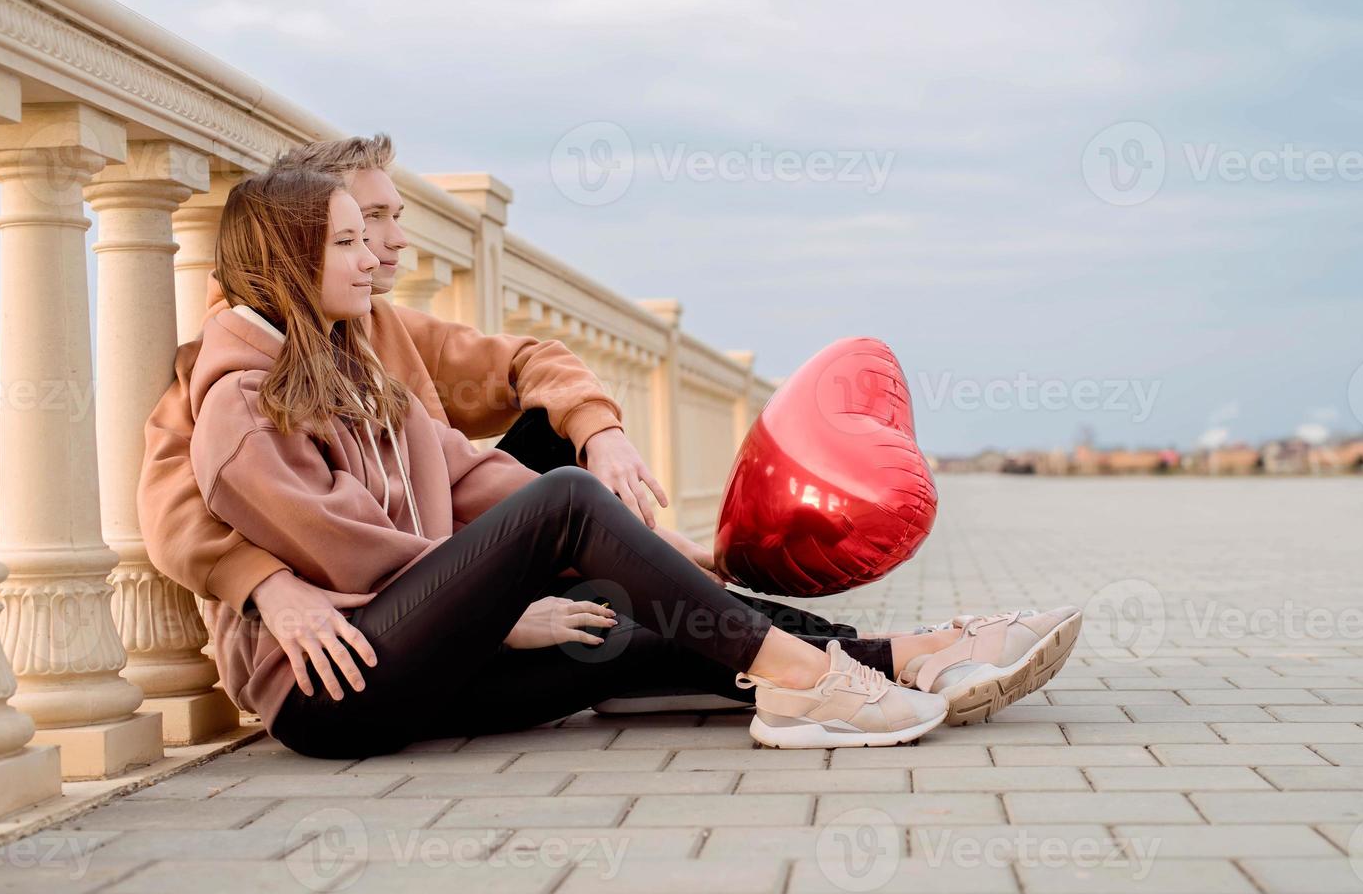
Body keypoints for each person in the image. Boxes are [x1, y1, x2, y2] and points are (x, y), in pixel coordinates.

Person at [178, 167, 954, 753]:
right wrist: (500, 607)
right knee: (570, 496)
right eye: (344, 242)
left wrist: (638, 546)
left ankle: (889, 661)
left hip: (426, 665)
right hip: (334, 693)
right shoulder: (244, 402)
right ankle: (809, 680)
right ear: (284, 259)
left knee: (621, 634)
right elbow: (353, 558)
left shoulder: (360, 366)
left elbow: (466, 473)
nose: (374, 258)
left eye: (366, 236)